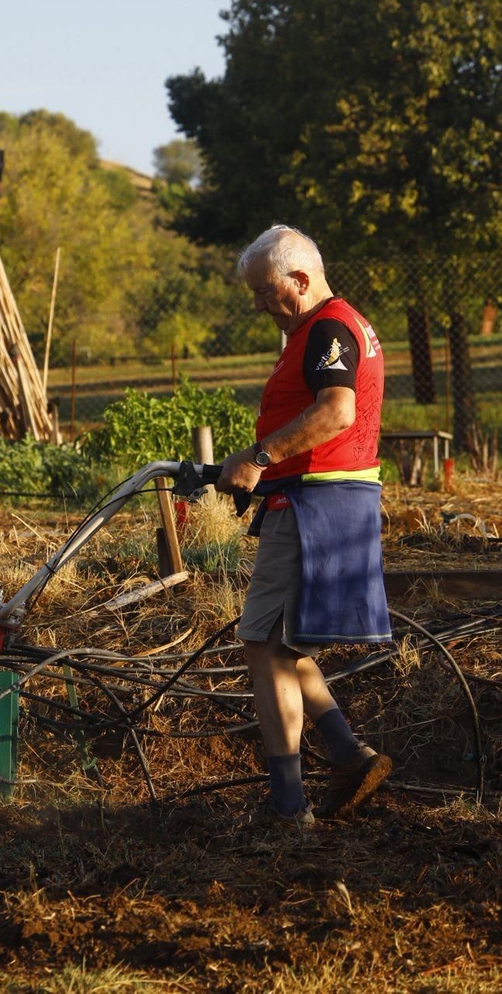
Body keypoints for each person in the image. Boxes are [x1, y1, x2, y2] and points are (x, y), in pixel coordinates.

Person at [216, 224, 395, 828]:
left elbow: (337, 411)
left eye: (266, 292)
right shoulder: (334, 326)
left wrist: (259, 457)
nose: (259, 306)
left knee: (263, 645)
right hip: (330, 501)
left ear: (299, 278)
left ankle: (289, 805)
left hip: (313, 504)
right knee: (284, 641)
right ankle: (346, 752)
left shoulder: (327, 329)